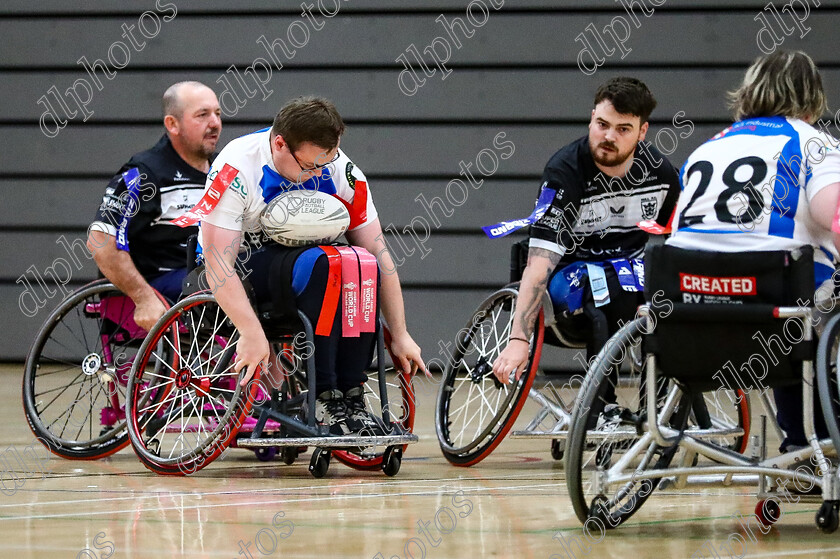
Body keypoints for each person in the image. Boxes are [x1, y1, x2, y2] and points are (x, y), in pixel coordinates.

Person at [195, 96, 425, 435]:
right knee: (326, 263)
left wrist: (401, 333)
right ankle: (324, 395)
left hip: (311, 261)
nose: (317, 174)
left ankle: (351, 394)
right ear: (280, 144)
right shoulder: (236, 168)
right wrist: (250, 330)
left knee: (361, 262)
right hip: (243, 268)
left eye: (324, 165)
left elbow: (380, 254)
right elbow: (217, 263)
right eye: (308, 167)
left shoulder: (342, 170)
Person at [666, 50, 840, 452]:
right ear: (813, 98)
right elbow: (832, 216)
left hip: (689, 308)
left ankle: (801, 441)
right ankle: (809, 440)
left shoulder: (707, 148)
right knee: (804, 300)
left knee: (789, 296)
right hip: (774, 309)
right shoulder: (812, 142)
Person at [492, 77, 680, 384]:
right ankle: (601, 409)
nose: (608, 136)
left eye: (623, 129)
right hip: (568, 277)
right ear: (592, 117)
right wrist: (518, 339)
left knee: (665, 297)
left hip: (630, 274)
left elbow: (675, 244)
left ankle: (656, 413)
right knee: (612, 288)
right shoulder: (565, 173)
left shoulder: (660, 174)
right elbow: (539, 265)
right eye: (602, 124)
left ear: (642, 132)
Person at [87, 81, 222, 330]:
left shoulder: (222, 172)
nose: (214, 123)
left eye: (217, 113)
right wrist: (144, 298)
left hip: (209, 277)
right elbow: (100, 241)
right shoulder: (143, 174)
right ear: (172, 124)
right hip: (162, 283)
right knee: (229, 282)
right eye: (202, 115)